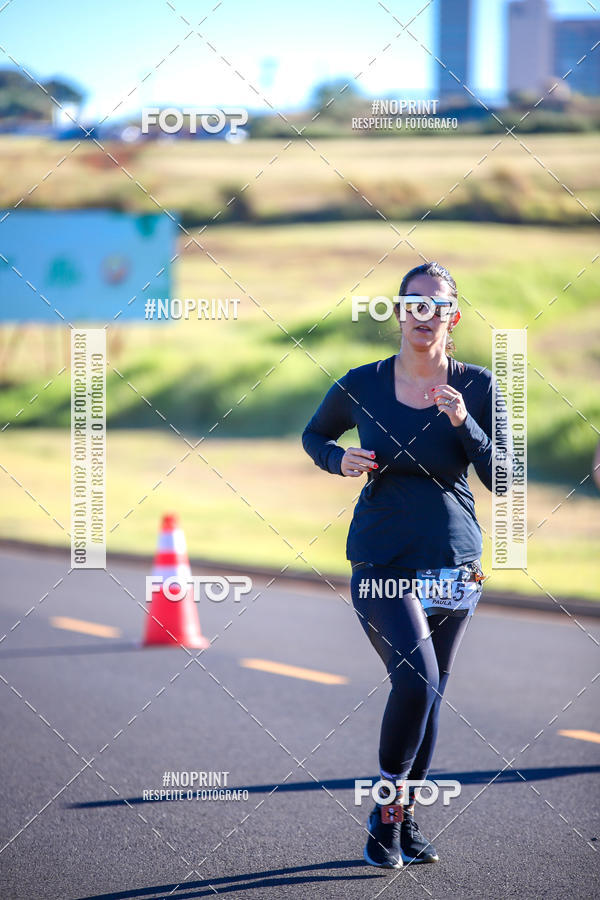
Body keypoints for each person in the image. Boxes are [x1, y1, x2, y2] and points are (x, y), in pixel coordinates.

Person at [302, 261, 510, 869]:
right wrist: (335, 460)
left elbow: (504, 477)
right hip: (382, 556)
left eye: (437, 305)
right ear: (397, 311)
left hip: (454, 560)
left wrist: (461, 421)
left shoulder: (478, 386)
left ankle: (403, 814)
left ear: (453, 316)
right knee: (415, 681)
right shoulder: (361, 383)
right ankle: (386, 820)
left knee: (430, 693)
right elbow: (315, 436)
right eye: (413, 304)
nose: (425, 315)